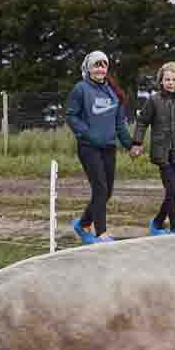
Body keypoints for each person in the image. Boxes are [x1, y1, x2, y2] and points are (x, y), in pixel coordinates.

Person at [65, 50, 131, 244]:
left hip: (109, 147)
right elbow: (71, 116)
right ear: (88, 68)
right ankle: (100, 233)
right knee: (100, 188)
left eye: (103, 65)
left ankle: (83, 223)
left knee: (107, 191)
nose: (100, 69)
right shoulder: (81, 89)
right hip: (88, 147)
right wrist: (88, 133)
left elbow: (120, 124)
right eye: (96, 65)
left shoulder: (113, 92)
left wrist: (130, 144)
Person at [129, 62, 175, 235]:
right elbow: (142, 122)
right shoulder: (154, 100)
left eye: (174, 79)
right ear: (161, 81)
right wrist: (137, 142)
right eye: (167, 79)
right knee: (172, 191)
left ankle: (157, 223)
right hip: (162, 154)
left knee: (173, 193)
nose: (170, 82)